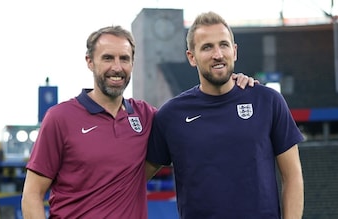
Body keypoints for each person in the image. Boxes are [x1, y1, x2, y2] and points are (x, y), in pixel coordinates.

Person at [21, 25, 256, 218]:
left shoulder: (147, 116)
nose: (117, 67)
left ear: (132, 63)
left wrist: (231, 86)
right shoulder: (60, 118)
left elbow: (196, 118)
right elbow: (32, 195)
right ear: (90, 62)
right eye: (107, 58)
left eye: (124, 58)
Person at [146, 11, 304, 219]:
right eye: (207, 47)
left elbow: (292, 176)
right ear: (191, 57)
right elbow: (135, 180)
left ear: (234, 51)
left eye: (223, 45)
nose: (218, 54)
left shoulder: (267, 101)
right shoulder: (171, 115)